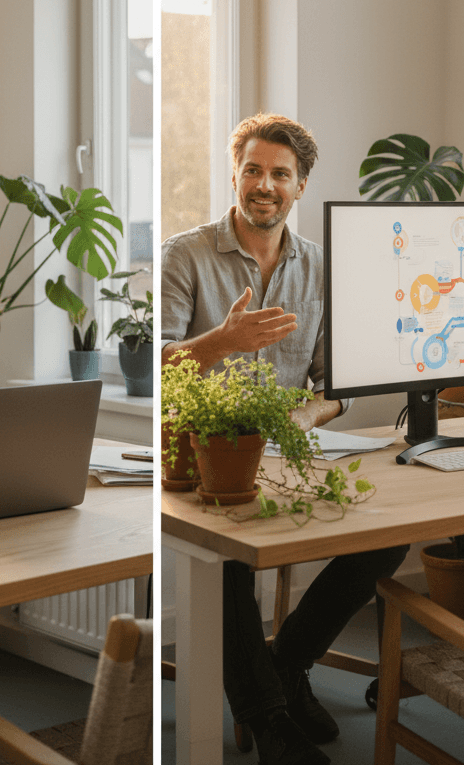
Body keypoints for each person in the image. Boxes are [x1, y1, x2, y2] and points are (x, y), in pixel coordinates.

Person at [161, 112, 409, 765]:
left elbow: (337, 384)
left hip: (289, 454)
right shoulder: (185, 254)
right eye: (252, 170)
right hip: (204, 458)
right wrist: (223, 341)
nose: (264, 185)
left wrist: (305, 418)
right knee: (225, 559)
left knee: (388, 535)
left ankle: (287, 662)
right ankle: (269, 717)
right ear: (234, 176)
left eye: (280, 174)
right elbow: (157, 368)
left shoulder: (320, 267)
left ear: (300, 186)